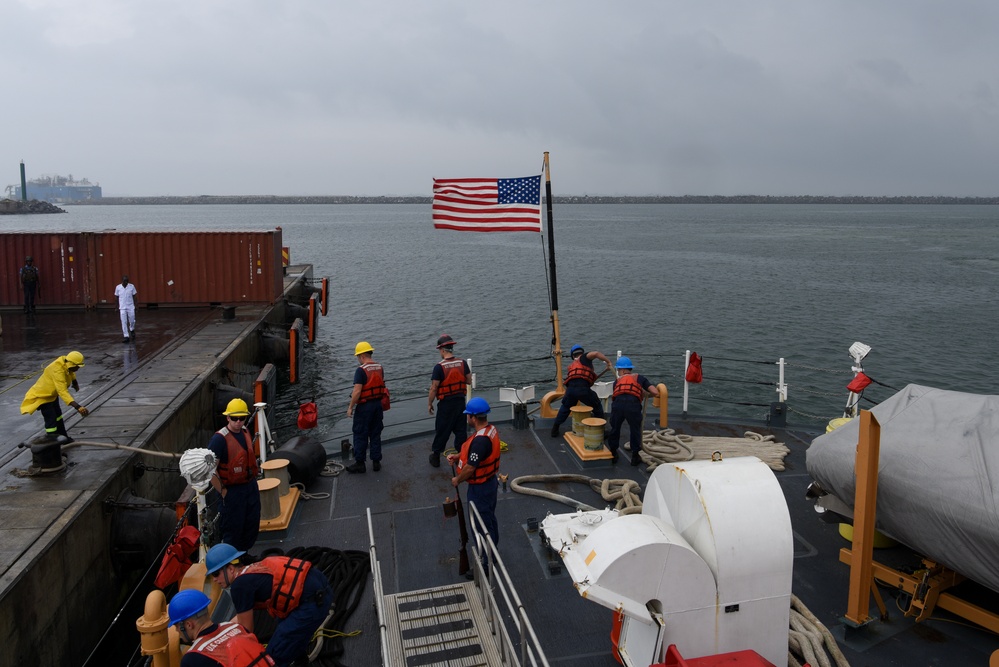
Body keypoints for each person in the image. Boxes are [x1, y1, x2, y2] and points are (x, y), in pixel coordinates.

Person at [205, 543, 333, 667]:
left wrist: (225, 650)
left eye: (216, 574)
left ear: (231, 569)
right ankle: (300, 661)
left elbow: (247, 631)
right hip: (322, 590)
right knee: (286, 628)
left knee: (270, 659)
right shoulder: (252, 570)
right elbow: (241, 616)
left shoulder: (239, 587)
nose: (214, 579)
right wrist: (219, 632)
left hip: (312, 605)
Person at [447, 397, 500, 576]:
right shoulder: (489, 430)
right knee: (490, 519)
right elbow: (474, 457)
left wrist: (458, 480)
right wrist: (456, 457)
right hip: (490, 483)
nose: (467, 418)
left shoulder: (479, 441)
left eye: (468, 415)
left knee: (481, 526)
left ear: (473, 418)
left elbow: (470, 467)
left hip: (481, 489)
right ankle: (494, 551)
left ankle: (486, 566)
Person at [167, 588, 274, 667]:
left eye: (177, 626)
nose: (176, 630)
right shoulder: (236, 627)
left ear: (188, 625)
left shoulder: (192, 658)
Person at [208, 398, 261, 552]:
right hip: (232, 492)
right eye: (235, 418)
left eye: (242, 418)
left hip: (249, 486)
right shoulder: (219, 440)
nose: (238, 422)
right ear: (228, 418)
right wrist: (223, 492)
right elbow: (211, 470)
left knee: (251, 523)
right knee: (233, 528)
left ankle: (244, 555)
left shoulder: (245, 432)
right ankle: (233, 562)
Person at [20, 351, 89, 440]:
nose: (78, 369)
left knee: (58, 416)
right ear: (72, 365)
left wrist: (74, 382)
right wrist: (77, 407)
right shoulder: (57, 370)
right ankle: (52, 442)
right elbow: (62, 391)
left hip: (52, 395)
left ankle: (63, 438)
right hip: (43, 397)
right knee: (51, 420)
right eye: (77, 367)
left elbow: (70, 372)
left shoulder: (65, 362)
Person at [550, 344, 613, 437]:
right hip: (582, 389)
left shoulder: (571, 366)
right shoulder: (584, 358)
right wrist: (608, 362)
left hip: (571, 390)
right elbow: (596, 353)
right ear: (582, 353)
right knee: (597, 406)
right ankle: (601, 432)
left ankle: (555, 429)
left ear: (572, 356)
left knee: (565, 407)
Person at [427, 334, 470, 467]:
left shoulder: (439, 367)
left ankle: (435, 457)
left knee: (442, 430)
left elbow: (434, 388)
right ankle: (461, 457)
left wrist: (430, 403)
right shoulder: (462, 363)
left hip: (446, 404)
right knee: (461, 430)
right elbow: (468, 380)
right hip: (460, 403)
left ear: (442, 350)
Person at [608, 356, 660, 465]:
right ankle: (635, 456)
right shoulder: (640, 378)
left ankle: (613, 454)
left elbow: (617, 393)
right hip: (633, 406)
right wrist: (644, 394)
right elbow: (655, 392)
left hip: (618, 405)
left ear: (622, 370)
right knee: (635, 429)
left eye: (618, 370)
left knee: (615, 428)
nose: (618, 372)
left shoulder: (617, 381)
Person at [346, 341, 387, 473]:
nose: (358, 359)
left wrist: (350, 407)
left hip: (364, 407)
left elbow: (357, 391)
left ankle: (360, 463)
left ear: (362, 356)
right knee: (375, 433)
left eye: (358, 356)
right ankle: (376, 462)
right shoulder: (379, 367)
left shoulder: (361, 370)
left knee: (360, 433)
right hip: (377, 405)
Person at [114, 275, 138, 343]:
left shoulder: (131, 286)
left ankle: (132, 329)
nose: (126, 282)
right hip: (122, 307)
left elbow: (134, 296)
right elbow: (116, 298)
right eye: (125, 281)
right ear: (122, 281)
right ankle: (126, 336)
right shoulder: (118, 287)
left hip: (130, 306)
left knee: (132, 320)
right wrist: (116, 307)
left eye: (127, 281)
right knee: (124, 322)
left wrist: (136, 305)